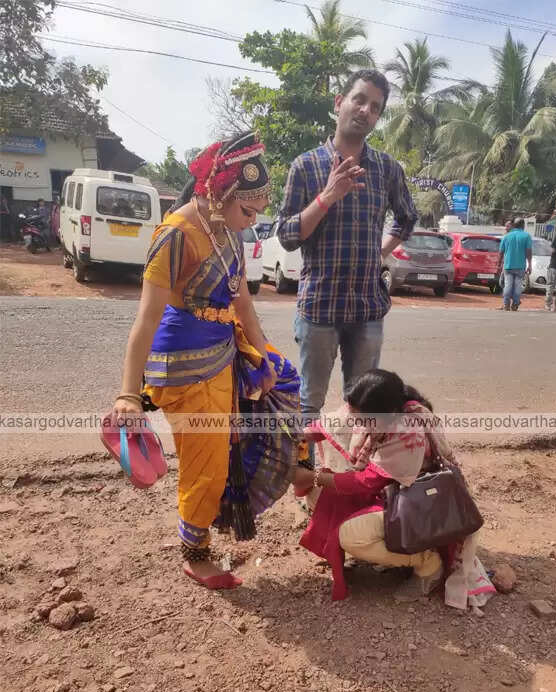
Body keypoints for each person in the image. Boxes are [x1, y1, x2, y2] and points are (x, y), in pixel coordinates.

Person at [112, 131, 306, 590]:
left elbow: (243, 307)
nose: (250, 222)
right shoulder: (177, 234)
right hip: (182, 365)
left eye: (258, 214)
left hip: (223, 355)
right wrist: (126, 394)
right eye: (247, 211)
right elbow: (145, 320)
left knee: (246, 432)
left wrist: (264, 357)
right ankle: (195, 554)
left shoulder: (229, 235)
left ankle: (210, 527)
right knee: (207, 463)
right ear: (221, 192)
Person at [277, 70, 418, 454]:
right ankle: (308, 486)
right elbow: (287, 235)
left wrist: (381, 252)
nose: (365, 110)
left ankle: (357, 485)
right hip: (319, 307)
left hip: (368, 307)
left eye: (375, 107)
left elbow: (407, 217)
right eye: (359, 99)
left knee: (367, 408)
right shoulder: (305, 166)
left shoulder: (388, 169)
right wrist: (327, 197)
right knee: (310, 404)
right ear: (339, 102)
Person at [293, 369, 457, 601]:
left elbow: (366, 482)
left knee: (349, 536)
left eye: (360, 419)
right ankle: (392, 549)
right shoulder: (371, 406)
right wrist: (298, 436)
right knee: (320, 495)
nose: (355, 422)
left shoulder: (407, 434)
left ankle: (429, 564)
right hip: (390, 493)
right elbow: (331, 423)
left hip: (419, 504)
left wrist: (312, 476)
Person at [497, 218, 532, 311]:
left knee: (508, 284)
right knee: (517, 286)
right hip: (520, 266)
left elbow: (501, 251)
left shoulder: (507, 236)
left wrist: (499, 263)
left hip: (508, 265)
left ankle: (506, 304)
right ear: (523, 226)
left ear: (514, 225)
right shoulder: (527, 236)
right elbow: (528, 251)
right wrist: (530, 264)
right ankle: (515, 304)